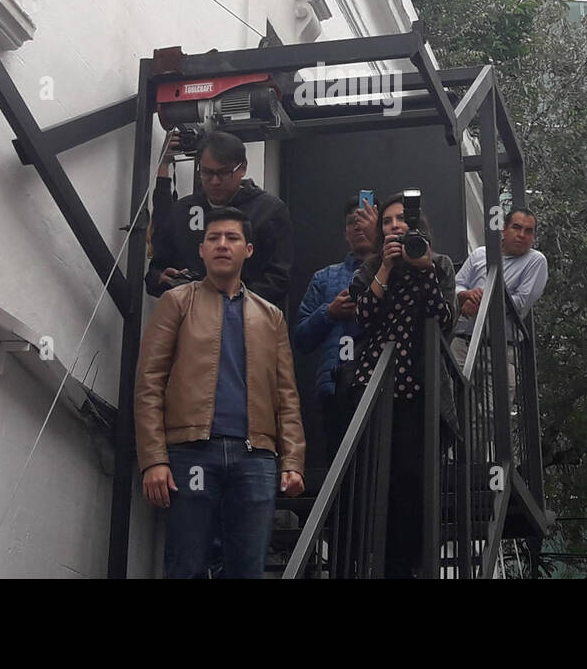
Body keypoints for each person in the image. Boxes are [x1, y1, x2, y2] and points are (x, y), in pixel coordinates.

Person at [134, 206, 305, 579]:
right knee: (186, 565)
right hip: (191, 451)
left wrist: (292, 460)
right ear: (201, 250)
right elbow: (149, 382)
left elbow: (286, 394)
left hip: (255, 457)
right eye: (213, 238)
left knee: (247, 569)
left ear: (249, 249)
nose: (222, 245)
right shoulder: (176, 302)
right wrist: (153, 459)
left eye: (231, 238)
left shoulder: (270, 316)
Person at [349, 193, 456, 578]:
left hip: (420, 388)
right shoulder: (372, 267)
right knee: (378, 478)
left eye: (402, 220)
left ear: (416, 225)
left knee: (414, 480)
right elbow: (362, 316)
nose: (396, 226)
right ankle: (380, 562)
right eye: (388, 222)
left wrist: (423, 268)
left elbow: (442, 319)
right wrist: (386, 270)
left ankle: (408, 564)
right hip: (375, 384)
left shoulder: (438, 264)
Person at [146, 130, 293, 309]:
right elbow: (154, 272)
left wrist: (226, 301)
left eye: (223, 173)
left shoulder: (269, 211)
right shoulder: (181, 211)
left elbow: (278, 279)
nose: (214, 181)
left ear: (242, 168)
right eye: (207, 172)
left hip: (245, 321)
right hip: (188, 320)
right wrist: (162, 278)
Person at [293, 197, 378, 459]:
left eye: (365, 220)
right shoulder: (325, 277)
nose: (358, 226)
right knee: (339, 464)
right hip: (334, 385)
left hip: (384, 383)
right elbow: (301, 339)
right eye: (352, 222)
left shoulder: (395, 271)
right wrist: (328, 313)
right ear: (345, 233)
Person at [450, 208, 548, 371]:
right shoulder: (479, 254)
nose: (522, 235)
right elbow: (455, 286)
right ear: (504, 228)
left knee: (496, 396)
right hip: (462, 344)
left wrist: (479, 302)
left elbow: (519, 304)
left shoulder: (535, 260)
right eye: (516, 227)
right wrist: (465, 295)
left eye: (528, 231)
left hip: (501, 350)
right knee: (455, 394)